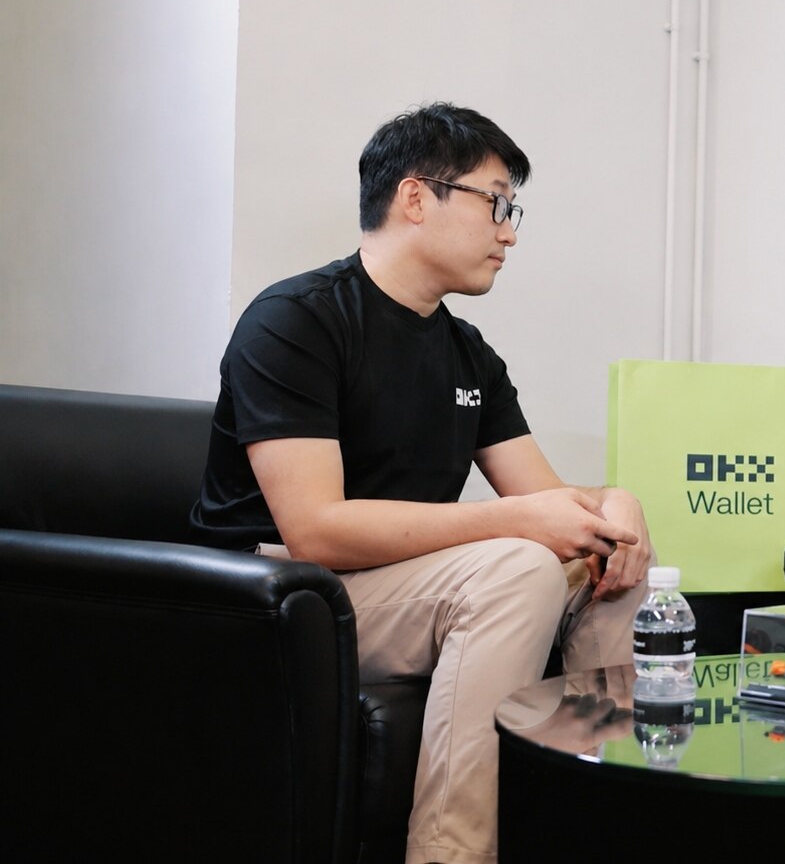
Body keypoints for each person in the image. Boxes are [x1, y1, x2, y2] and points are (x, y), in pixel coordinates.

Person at [189, 102, 654, 864]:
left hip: (402, 584)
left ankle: (591, 832)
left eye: (513, 211)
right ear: (415, 197)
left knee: (611, 560)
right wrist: (516, 524)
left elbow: (547, 501)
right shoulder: (295, 320)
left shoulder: (467, 352)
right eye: (496, 203)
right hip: (282, 592)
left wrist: (613, 507)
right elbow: (315, 529)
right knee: (516, 566)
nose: (509, 233)